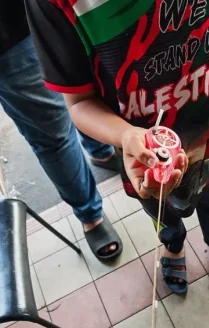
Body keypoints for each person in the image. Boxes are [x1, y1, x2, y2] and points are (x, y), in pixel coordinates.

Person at [25, 0, 209, 294]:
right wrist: (125, 135)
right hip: (145, 159)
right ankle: (172, 245)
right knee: (161, 212)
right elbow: (79, 102)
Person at [0, 1, 122, 260]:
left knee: (85, 83)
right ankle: (90, 214)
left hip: (43, 12)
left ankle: (101, 150)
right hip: (9, 37)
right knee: (52, 136)